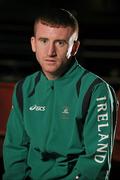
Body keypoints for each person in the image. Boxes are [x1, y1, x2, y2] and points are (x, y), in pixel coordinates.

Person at [3, 8, 118, 180]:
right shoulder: (24, 88)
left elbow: (96, 162)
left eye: (60, 43)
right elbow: (15, 150)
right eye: (44, 41)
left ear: (75, 47)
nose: (50, 52)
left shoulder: (96, 90)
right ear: (33, 43)